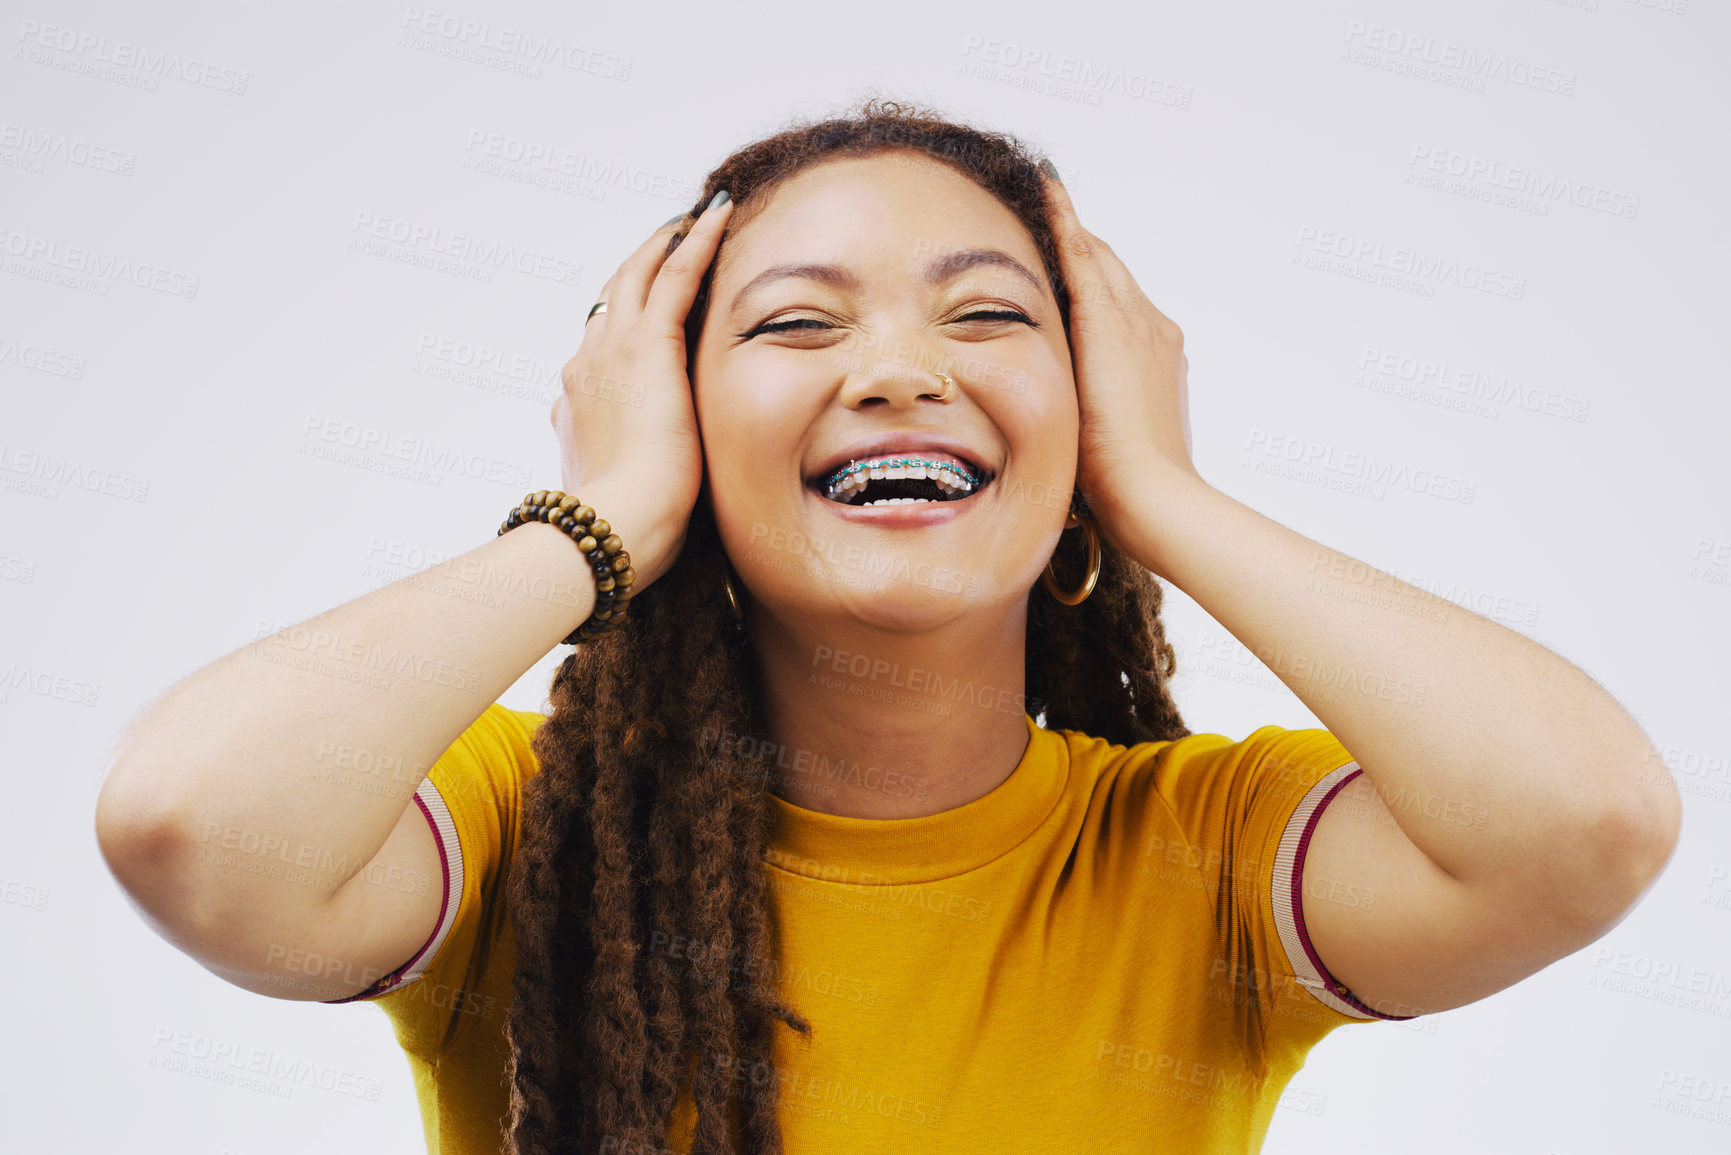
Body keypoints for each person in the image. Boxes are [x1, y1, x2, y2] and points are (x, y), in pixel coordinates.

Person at [94, 98, 1681, 1155]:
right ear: (679, 421)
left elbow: (1588, 824)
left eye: (988, 314)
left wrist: (1165, 497)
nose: (901, 369)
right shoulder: (528, 824)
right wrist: (606, 518)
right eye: (796, 323)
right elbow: (190, 825)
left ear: (1088, 410)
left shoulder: (1201, 860)